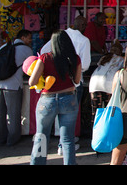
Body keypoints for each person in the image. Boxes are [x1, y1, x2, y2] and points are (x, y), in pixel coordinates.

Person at [29, 30, 82, 165]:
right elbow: (77, 81)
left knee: (41, 137)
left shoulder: (45, 58)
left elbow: (32, 82)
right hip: (69, 98)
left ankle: (38, 163)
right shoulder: (75, 58)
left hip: (48, 99)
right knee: (68, 138)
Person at [40, 15, 91, 154]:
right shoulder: (83, 40)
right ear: (82, 26)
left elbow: (42, 53)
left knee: (45, 126)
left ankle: (48, 148)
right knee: (68, 119)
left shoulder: (56, 37)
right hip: (72, 85)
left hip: (51, 87)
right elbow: (85, 65)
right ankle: (64, 144)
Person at [0, 29, 32, 146]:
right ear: (23, 37)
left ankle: (0, 139)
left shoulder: (4, 47)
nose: (30, 40)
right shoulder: (26, 50)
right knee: (13, 113)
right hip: (13, 85)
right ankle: (12, 140)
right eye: (29, 38)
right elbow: (31, 68)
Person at [89, 40, 124, 124]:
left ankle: (95, 132)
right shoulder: (121, 59)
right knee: (109, 111)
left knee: (96, 111)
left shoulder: (103, 58)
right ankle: (106, 130)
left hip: (94, 84)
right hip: (108, 85)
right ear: (120, 51)